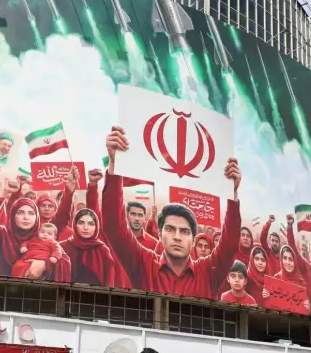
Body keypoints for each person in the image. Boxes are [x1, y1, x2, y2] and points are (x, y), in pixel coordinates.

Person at [100, 126, 243, 300]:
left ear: (193, 238)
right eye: (170, 229)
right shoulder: (144, 264)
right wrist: (115, 165)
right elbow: (114, 227)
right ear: (159, 233)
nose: (177, 237)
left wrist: (232, 193)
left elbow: (229, 247)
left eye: (184, 231)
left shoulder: (208, 271)